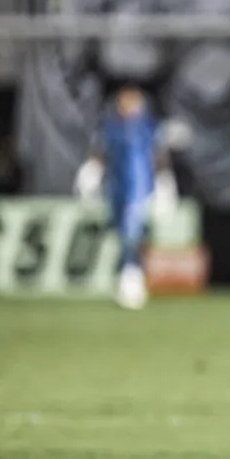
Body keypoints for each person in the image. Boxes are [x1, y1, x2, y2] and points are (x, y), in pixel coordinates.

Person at [74, 84, 177, 309]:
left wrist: (164, 183)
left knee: (134, 231)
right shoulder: (110, 126)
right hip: (116, 187)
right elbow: (100, 150)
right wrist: (91, 172)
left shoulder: (148, 126)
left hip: (140, 188)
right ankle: (126, 276)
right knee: (122, 232)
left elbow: (158, 154)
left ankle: (133, 278)